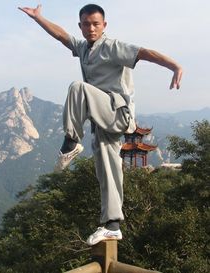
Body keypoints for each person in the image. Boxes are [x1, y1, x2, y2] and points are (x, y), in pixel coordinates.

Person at [19, 4, 182, 246]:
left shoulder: (113, 47)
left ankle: (71, 142)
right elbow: (62, 36)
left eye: (96, 23)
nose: (91, 28)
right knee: (107, 169)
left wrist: (175, 66)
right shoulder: (84, 48)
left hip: (118, 113)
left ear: (104, 25)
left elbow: (145, 53)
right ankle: (112, 225)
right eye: (86, 24)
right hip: (101, 118)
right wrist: (39, 18)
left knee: (78, 88)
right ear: (81, 26)